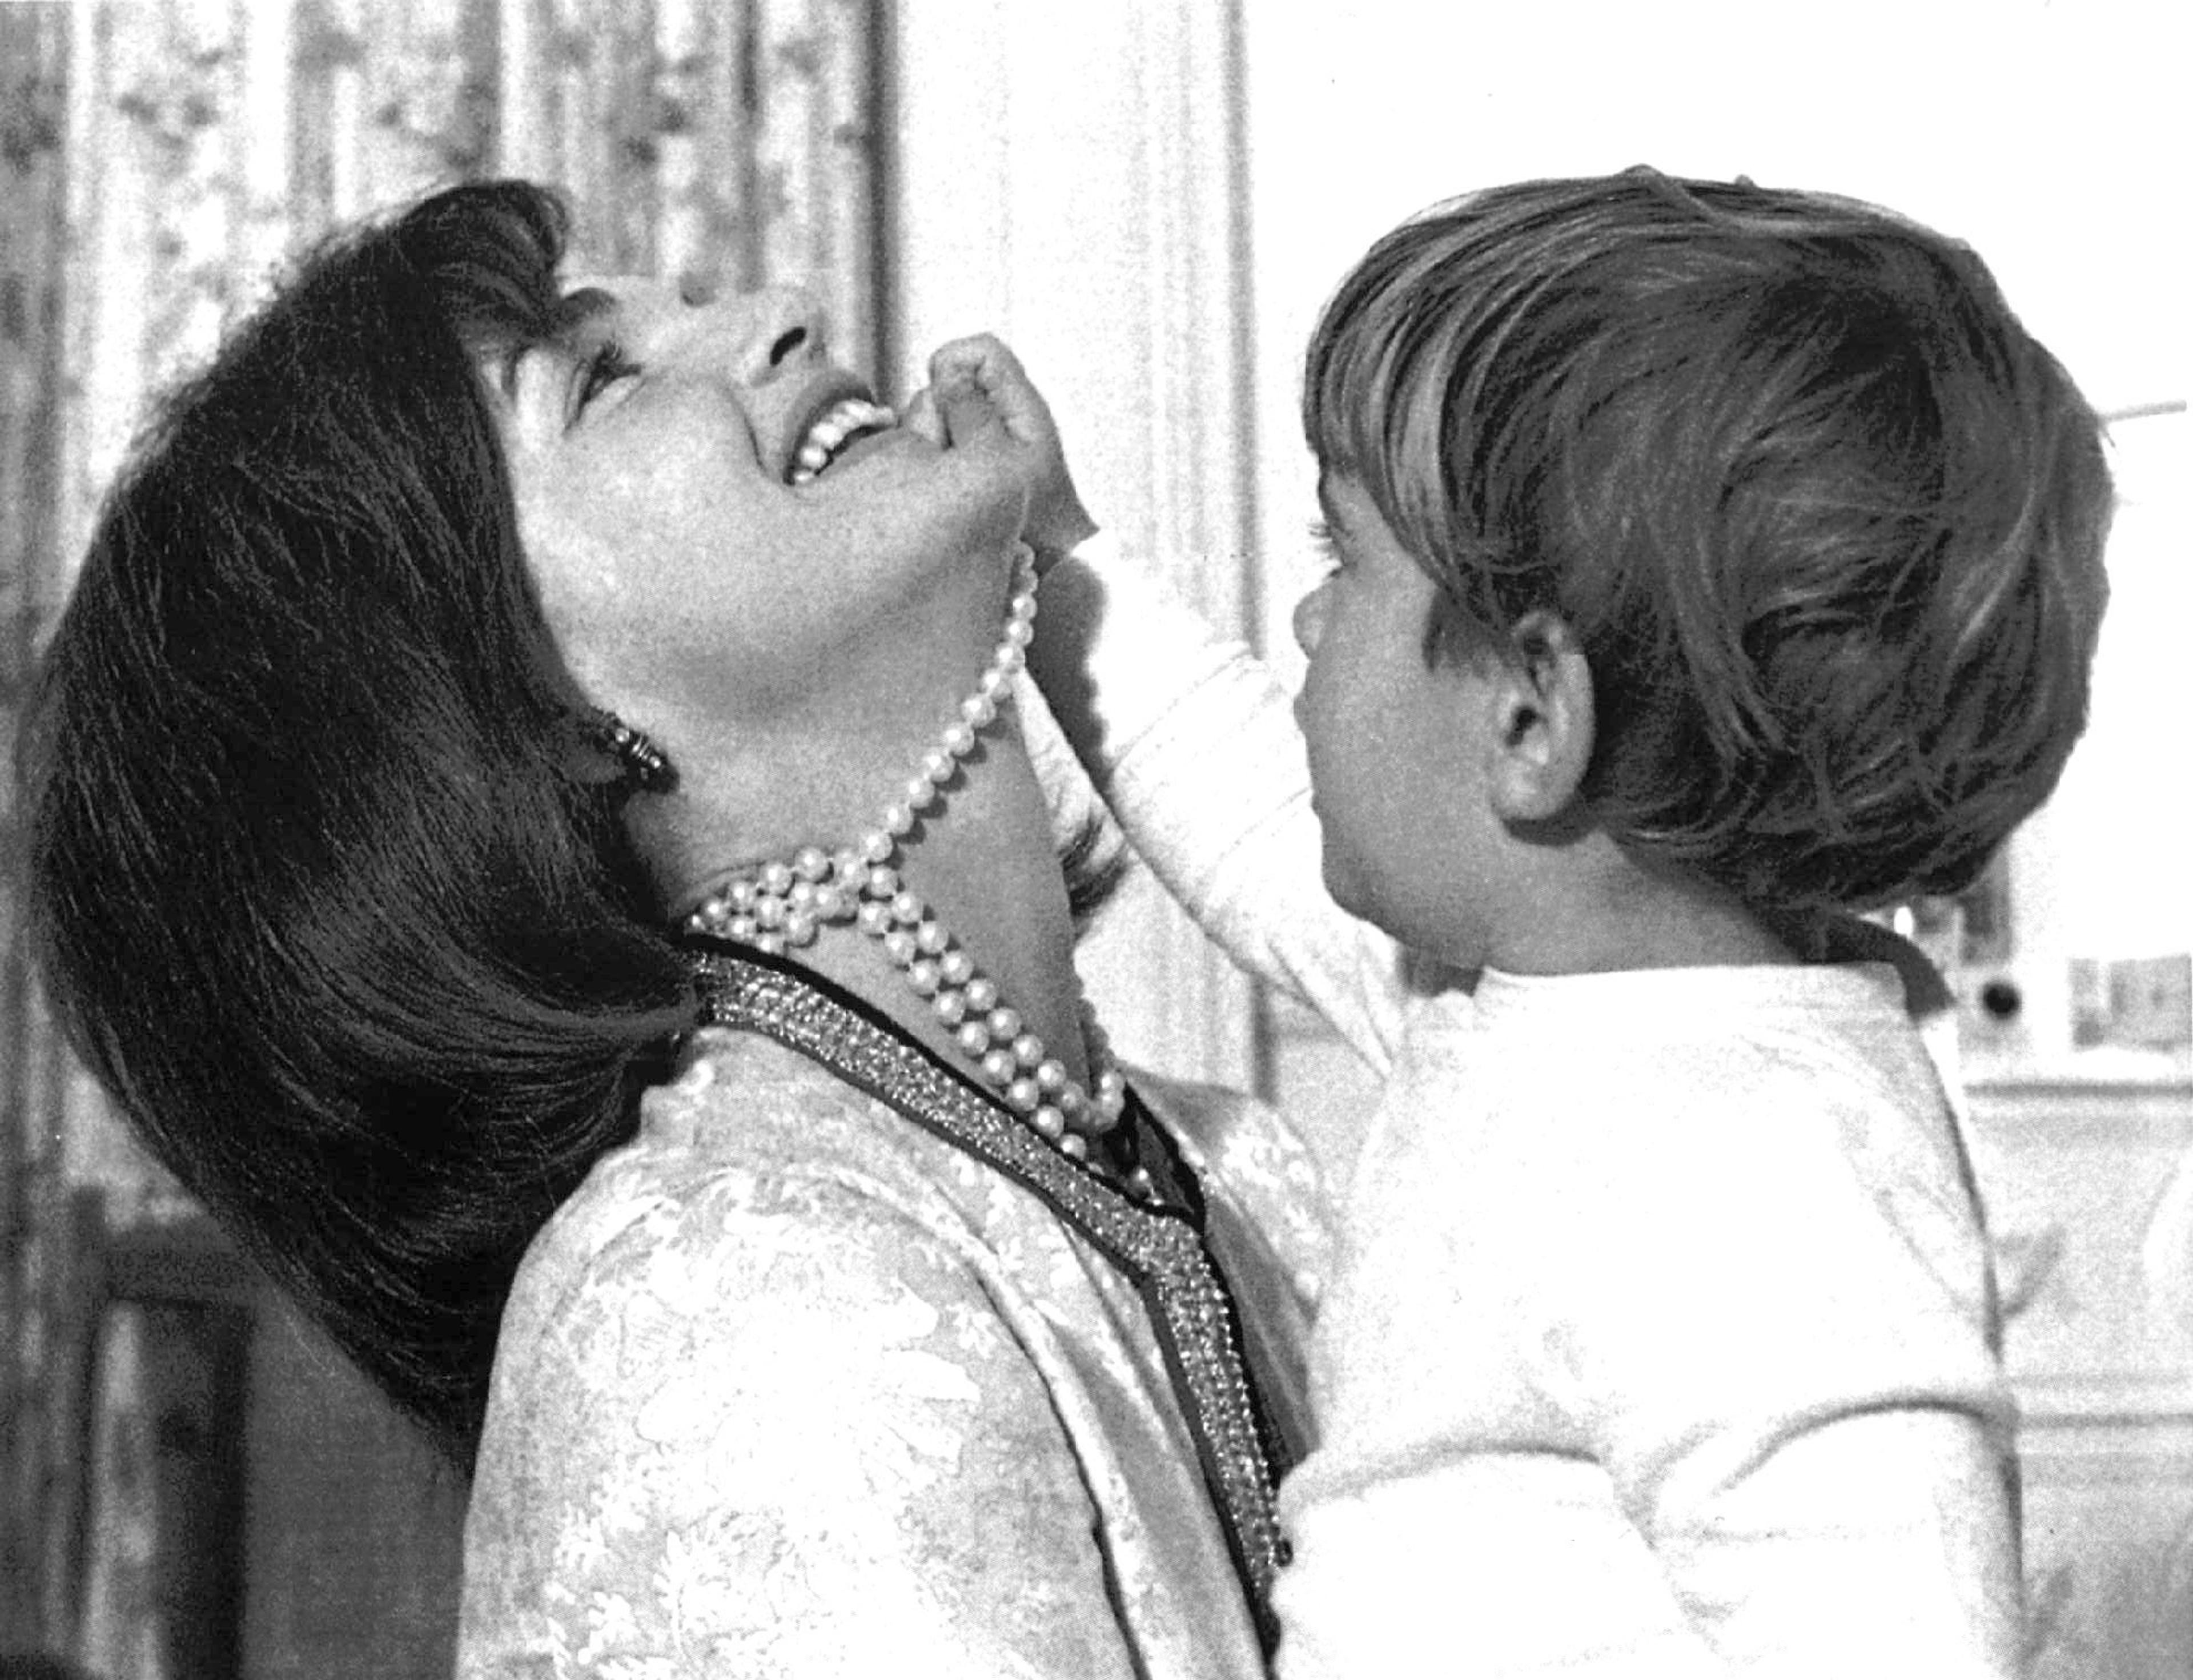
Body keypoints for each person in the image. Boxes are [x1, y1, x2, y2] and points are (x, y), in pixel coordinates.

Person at [22, 179, 1334, 1677]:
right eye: (605, 378)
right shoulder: (728, 1302)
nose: (787, 318)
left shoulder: (1235, 1169)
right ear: (514, 717)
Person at [1017, 169, 2113, 1674]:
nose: (1312, 626)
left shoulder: (1751, 1162)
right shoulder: (1527, 988)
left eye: (1351, 567)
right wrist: (1054, 548)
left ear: (1533, 711)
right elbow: (1255, 819)